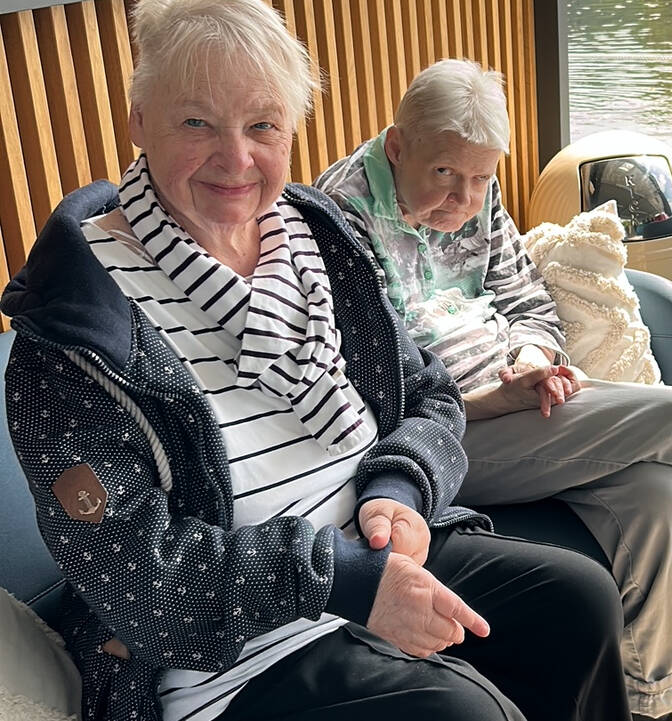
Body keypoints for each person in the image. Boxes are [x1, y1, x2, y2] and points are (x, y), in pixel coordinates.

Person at [0, 5, 633, 721]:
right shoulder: (73, 329)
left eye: (263, 125)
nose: (236, 159)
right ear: (140, 120)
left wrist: (398, 486)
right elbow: (139, 579)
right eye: (197, 123)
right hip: (229, 653)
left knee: (579, 601)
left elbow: (429, 392)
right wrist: (341, 577)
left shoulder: (318, 237)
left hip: (374, 548)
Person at [316, 58, 672, 721]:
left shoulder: (473, 185)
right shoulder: (337, 222)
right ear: (397, 144)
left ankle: (648, 703)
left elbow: (526, 298)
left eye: (481, 179)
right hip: (440, 440)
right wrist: (494, 400)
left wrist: (532, 357)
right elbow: (374, 403)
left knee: (657, 495)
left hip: (517, 404)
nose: (465, 199)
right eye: (444, 175)